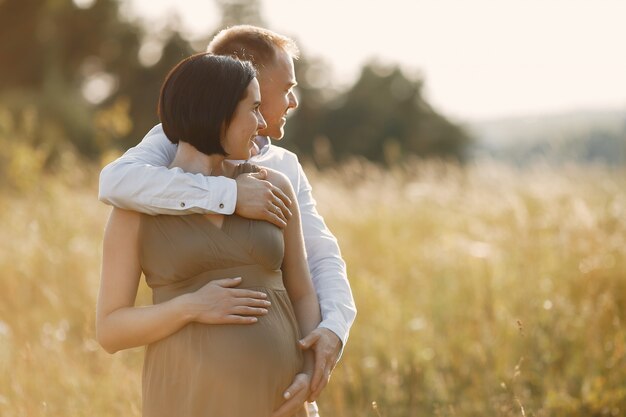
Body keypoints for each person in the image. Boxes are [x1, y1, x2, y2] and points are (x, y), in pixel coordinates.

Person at [98, 25, 356, 417]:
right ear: (218, 112)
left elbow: (315, 270)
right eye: (253, 109)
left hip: (281, 402)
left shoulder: (277, 178)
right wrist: (192, 306)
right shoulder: (136, 197)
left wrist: (310, 365)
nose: (263, 122)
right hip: (186, 398)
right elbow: (110, 330)